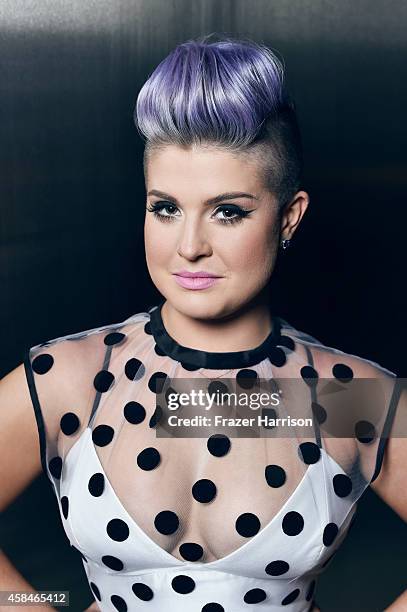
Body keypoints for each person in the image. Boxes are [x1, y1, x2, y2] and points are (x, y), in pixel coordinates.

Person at [1, 34, 406, 612]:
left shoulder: (343, 397)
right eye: (165, 208)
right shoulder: (73, 379)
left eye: (228, 211)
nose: (189, 246)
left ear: (289, 217)